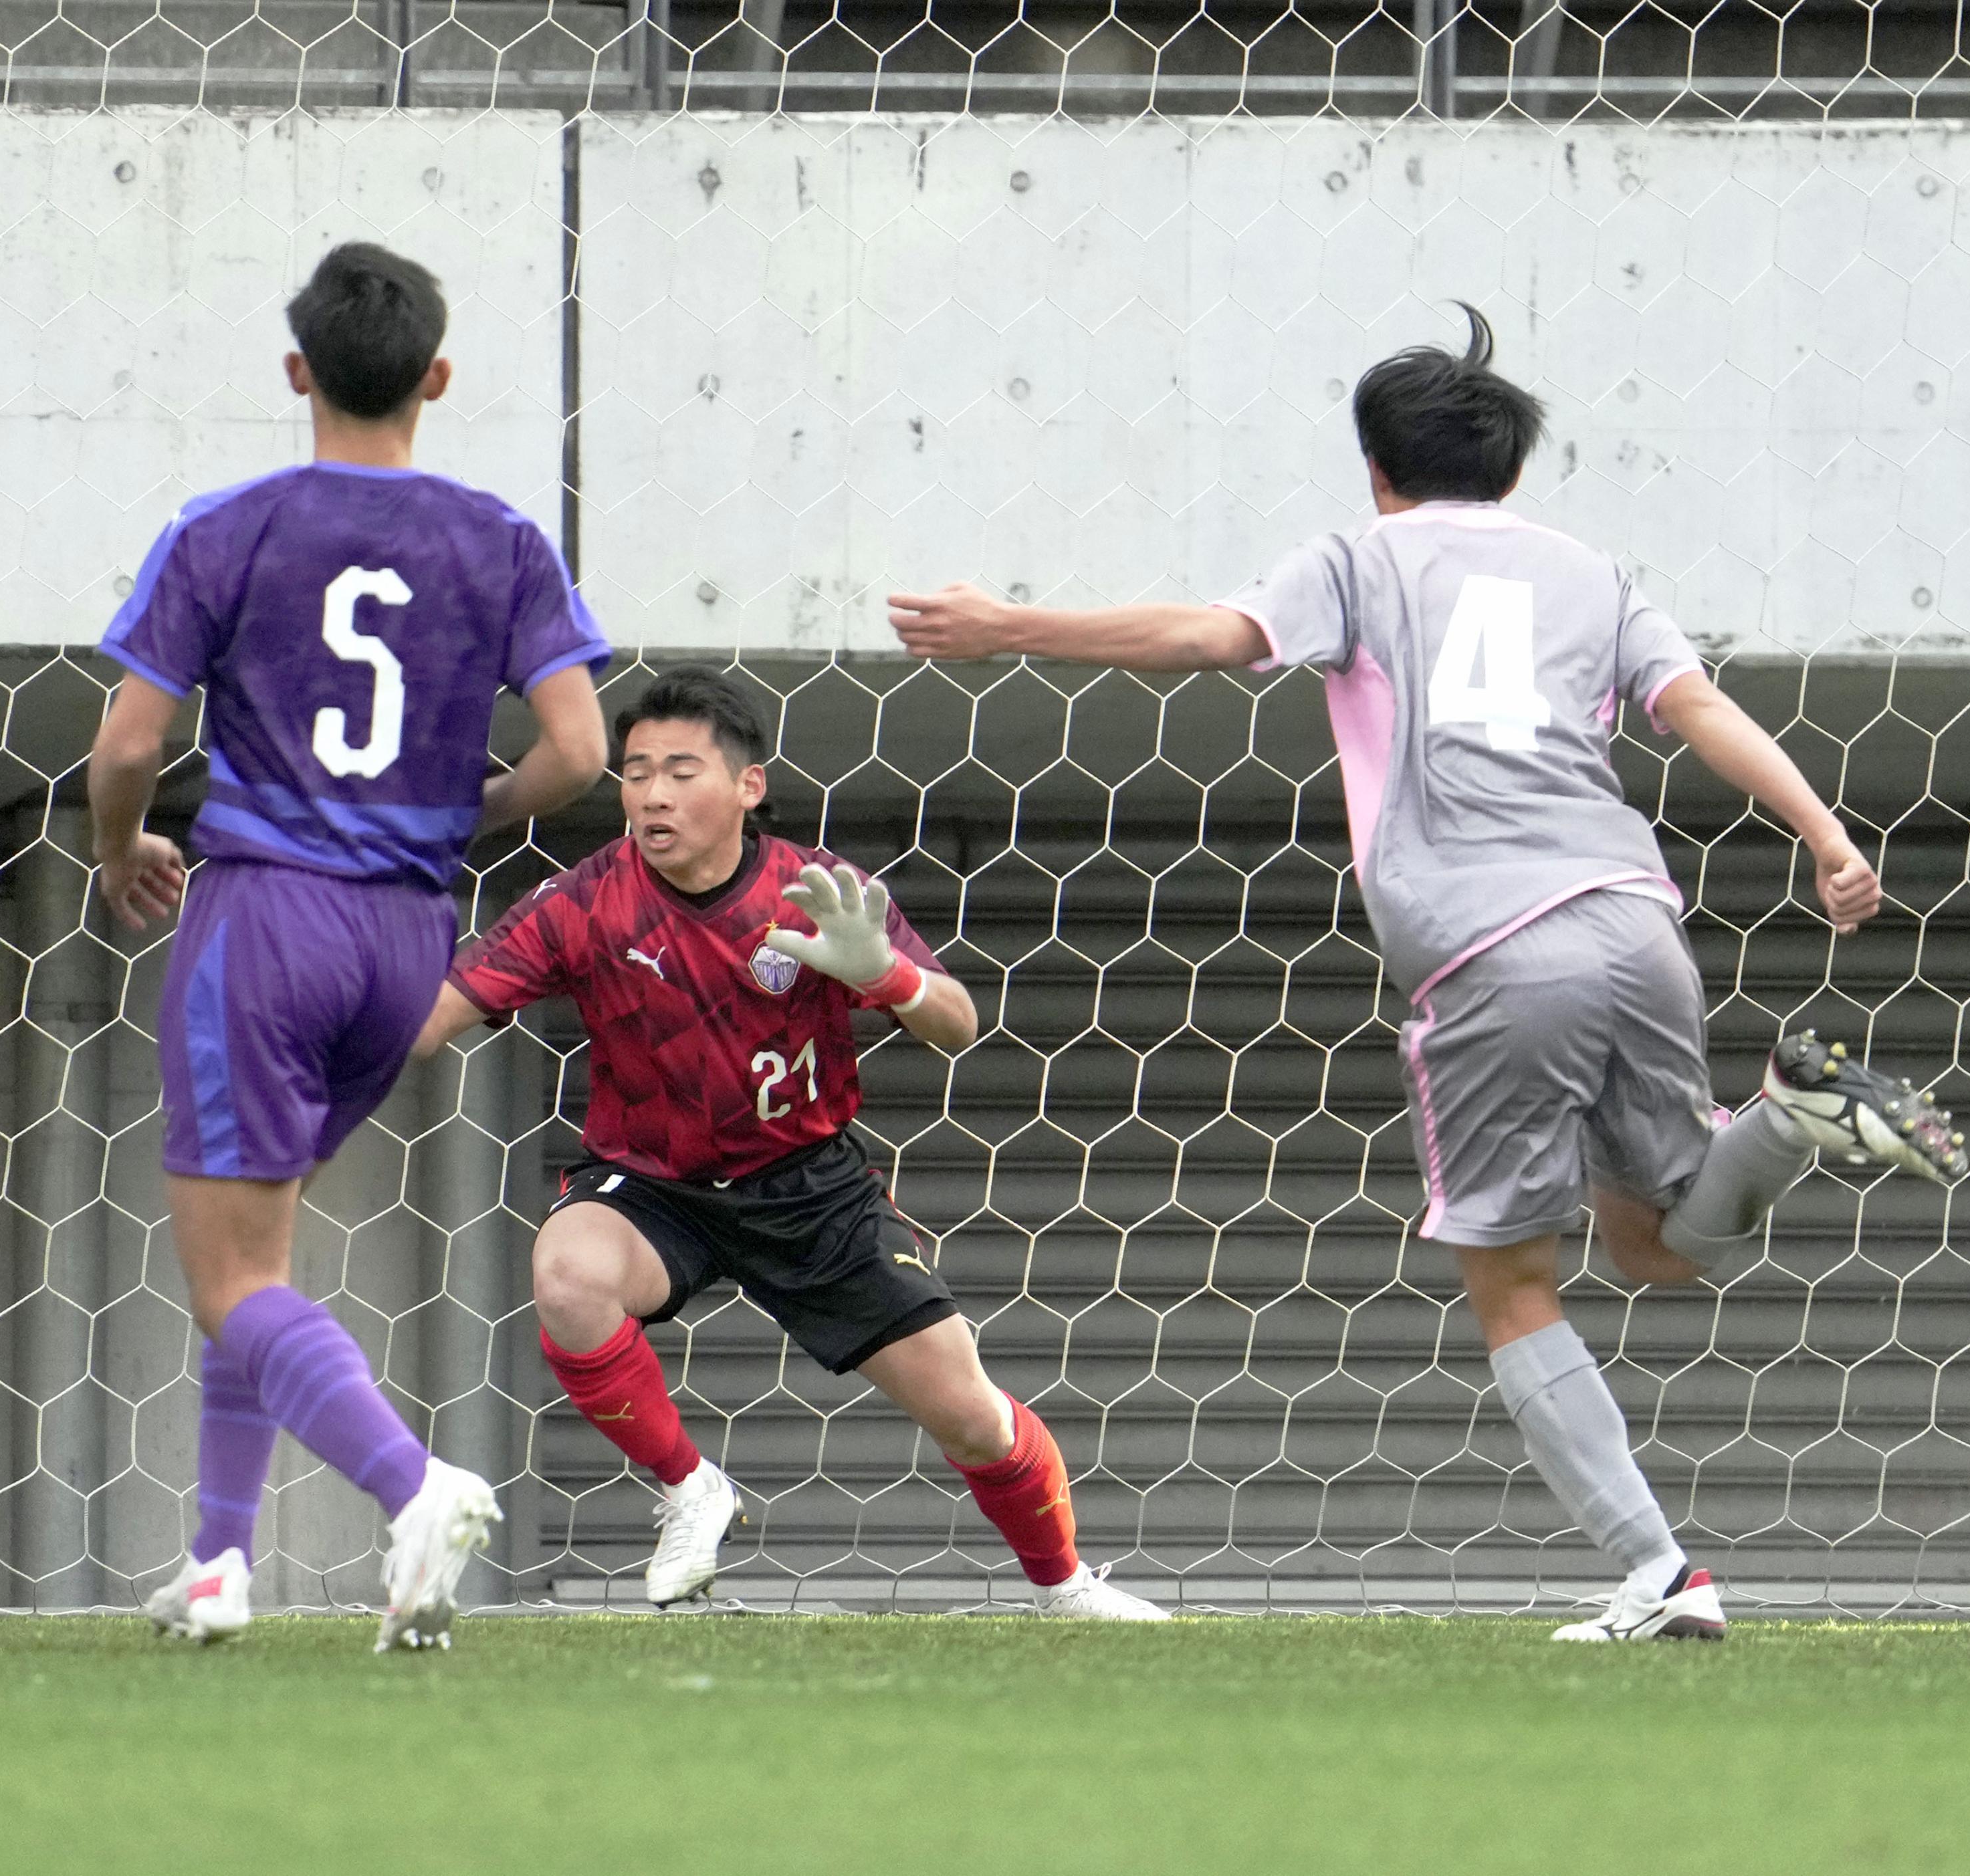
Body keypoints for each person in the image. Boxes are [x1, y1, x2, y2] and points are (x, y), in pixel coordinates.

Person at [888, 304, 1967, 1642]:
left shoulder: (1359, 557)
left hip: (1491, 948)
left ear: (1376, 467)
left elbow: (1215, 638)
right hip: (1635, 920)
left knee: (1515, 1284)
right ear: (1511, 469)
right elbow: (1700, 710)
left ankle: (1660, 1573)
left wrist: (1009, 626)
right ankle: (1789, 1120)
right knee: (1657, 1243)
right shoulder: (1593, 573)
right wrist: (1824, 831)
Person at [88, 241, 611, 1651]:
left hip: (265, 915)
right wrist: (466, 807)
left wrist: (117, 842)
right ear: (436, 377)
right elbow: (579, 750)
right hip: (409, 932)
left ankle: (415, 1482)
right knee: (258, 1260)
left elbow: (129, 741)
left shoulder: (227, 525)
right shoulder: (500, 538)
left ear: (295, 370)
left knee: (232, 1275)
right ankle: (214, 1562)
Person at [414, 667, 1168, 1619]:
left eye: (680, 770)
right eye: (635, 771)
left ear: (746, 787)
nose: (650, 792)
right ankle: (690, 1487)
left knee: (969, 1412)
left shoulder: (813, 893)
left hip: (808, 1187)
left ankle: (1065, 1587)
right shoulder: (581, 901)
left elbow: (957, 1023)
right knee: (567, 1275)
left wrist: (886, 974)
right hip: (651, 1185)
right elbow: (431, 1016)